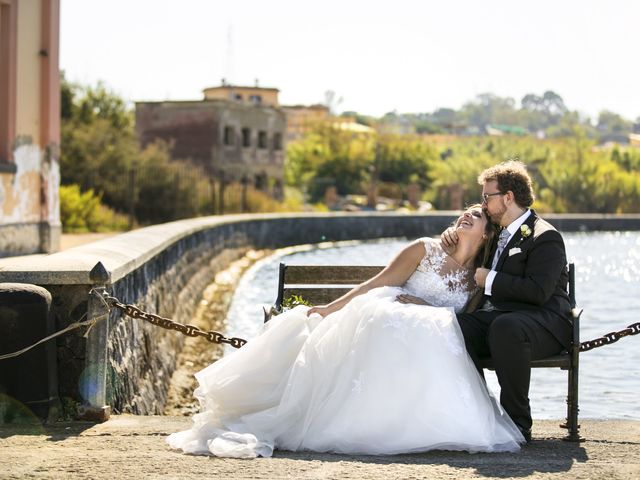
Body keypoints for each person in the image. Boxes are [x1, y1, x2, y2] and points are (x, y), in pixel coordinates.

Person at [166, 205, 525, 458]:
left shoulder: (476, 280)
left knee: (436, 328)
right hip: (389, 312)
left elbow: (463, 321)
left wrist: (428, 309)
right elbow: (378, 283)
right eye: (466, 211)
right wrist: (329, 308)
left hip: (428, 331)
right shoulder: (425, 249)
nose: (466, 215)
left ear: (487, 232)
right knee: (391, 321)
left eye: (476, 215)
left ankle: (419, 421)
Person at [443, 161, 572, 443]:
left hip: (545, 323)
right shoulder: (498, 232)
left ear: (508, 197)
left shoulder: (545, 236)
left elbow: (538, 292)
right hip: (503, 318)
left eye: (487, 197)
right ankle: (475, 413)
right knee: (454, 327)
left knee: (506, 327)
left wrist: (490, 279)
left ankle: (517, 424)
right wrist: (450, 238)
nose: (484, 204)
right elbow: (469, 249)